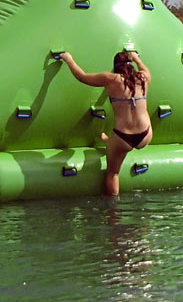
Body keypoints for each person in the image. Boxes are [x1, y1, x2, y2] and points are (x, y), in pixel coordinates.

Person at [57, 49, 152, 196]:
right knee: (141, 114)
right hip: (145, 135)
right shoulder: (144, 77)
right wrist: (137, 58)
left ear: (115, 66)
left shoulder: (110, 79)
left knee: (113, 173)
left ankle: (113, 214)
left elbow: (82, 77)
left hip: (123, 137)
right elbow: (143, 67)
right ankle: (110, 141)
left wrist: (68, 59)